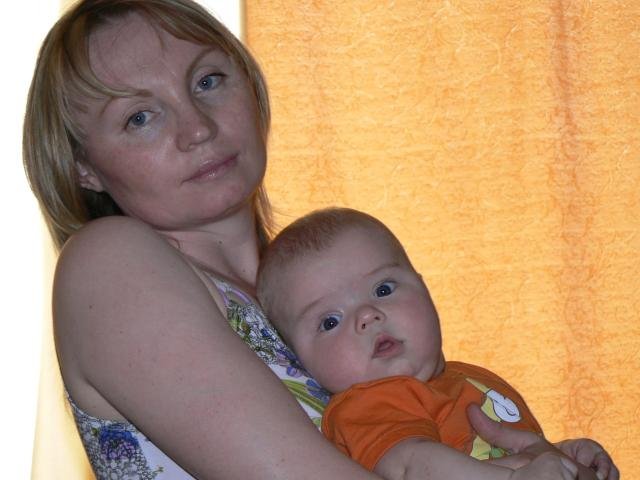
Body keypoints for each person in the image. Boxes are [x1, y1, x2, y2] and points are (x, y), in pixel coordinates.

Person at [23, 0, 614, 478]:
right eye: (139, 117)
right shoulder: (110, 263)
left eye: (207, 80)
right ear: (83, 168)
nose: (198, 128)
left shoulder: (318, 295)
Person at [256, 207, 619, 480]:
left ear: (425, 288)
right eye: (330, 321)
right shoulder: (367, 403)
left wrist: (564, 457)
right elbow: (415, 466)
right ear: (300, 359)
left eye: (383, 289)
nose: (367, 315)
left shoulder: (468, 378)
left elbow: (499, 451)